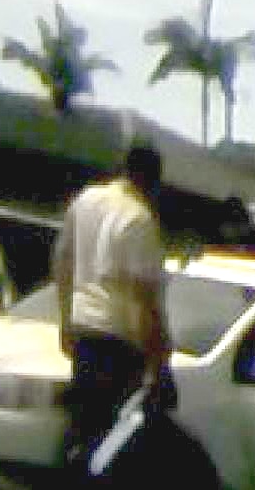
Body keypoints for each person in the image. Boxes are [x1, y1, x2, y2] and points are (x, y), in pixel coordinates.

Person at [52, 145, 173, 480]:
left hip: (85, 334)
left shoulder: (86, 201)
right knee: (115, 444)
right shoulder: (139, 218)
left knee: (83, 433)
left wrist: (66, 322)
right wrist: (159, 365)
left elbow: (63, 265)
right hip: (118, 344)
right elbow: (143, 300)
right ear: (151, 180)